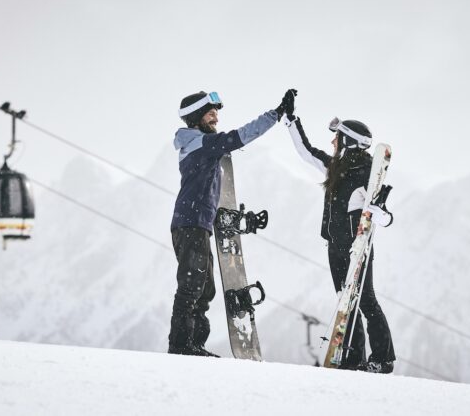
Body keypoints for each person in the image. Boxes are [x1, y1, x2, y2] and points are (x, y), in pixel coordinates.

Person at [168, 89, 295, 357]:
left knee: (205, 289)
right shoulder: (202, 144)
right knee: (191, 285)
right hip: (191, 223)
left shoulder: (200, 144)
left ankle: (194, 344)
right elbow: (241, 136)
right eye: (210, 113)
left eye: (216, 113)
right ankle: (180, 346)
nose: (216, 117)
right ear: (195, 117)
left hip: (197, 223)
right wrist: (275, 114)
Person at [283, 92, 396, 373]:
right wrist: (291, 120)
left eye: (337, 137)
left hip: (358, 247)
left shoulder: (368, 173)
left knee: (365, 300)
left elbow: (386, 219)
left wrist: (379, 212)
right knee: (346, 305)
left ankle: (383, 360)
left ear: (347, 141)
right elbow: (306, 152)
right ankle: (354, 359)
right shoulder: (335, 169)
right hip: (335, 246)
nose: (333, 142)